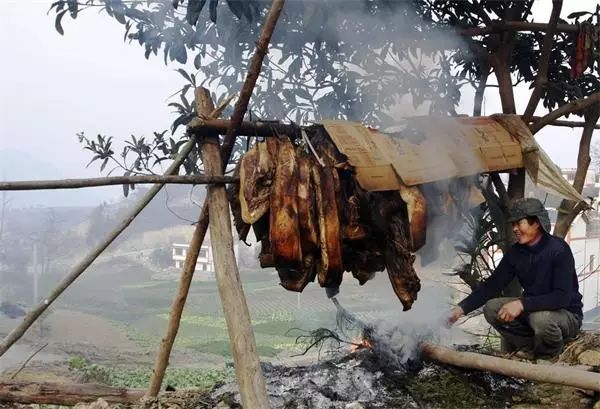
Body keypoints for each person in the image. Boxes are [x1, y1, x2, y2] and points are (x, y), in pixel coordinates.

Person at [447, 198, 583, 360]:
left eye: (520, 223)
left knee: (540, 319)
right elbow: (492, 285)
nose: (515, 229)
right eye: (513, 225)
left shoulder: (559, 250)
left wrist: (521, 304)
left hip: (566, 315)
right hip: (534, 311)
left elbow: (562, 297)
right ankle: (528, 347)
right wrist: (459, 310)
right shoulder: (516, 253)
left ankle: (548, 356)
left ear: (536, 223)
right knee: (492, 308)